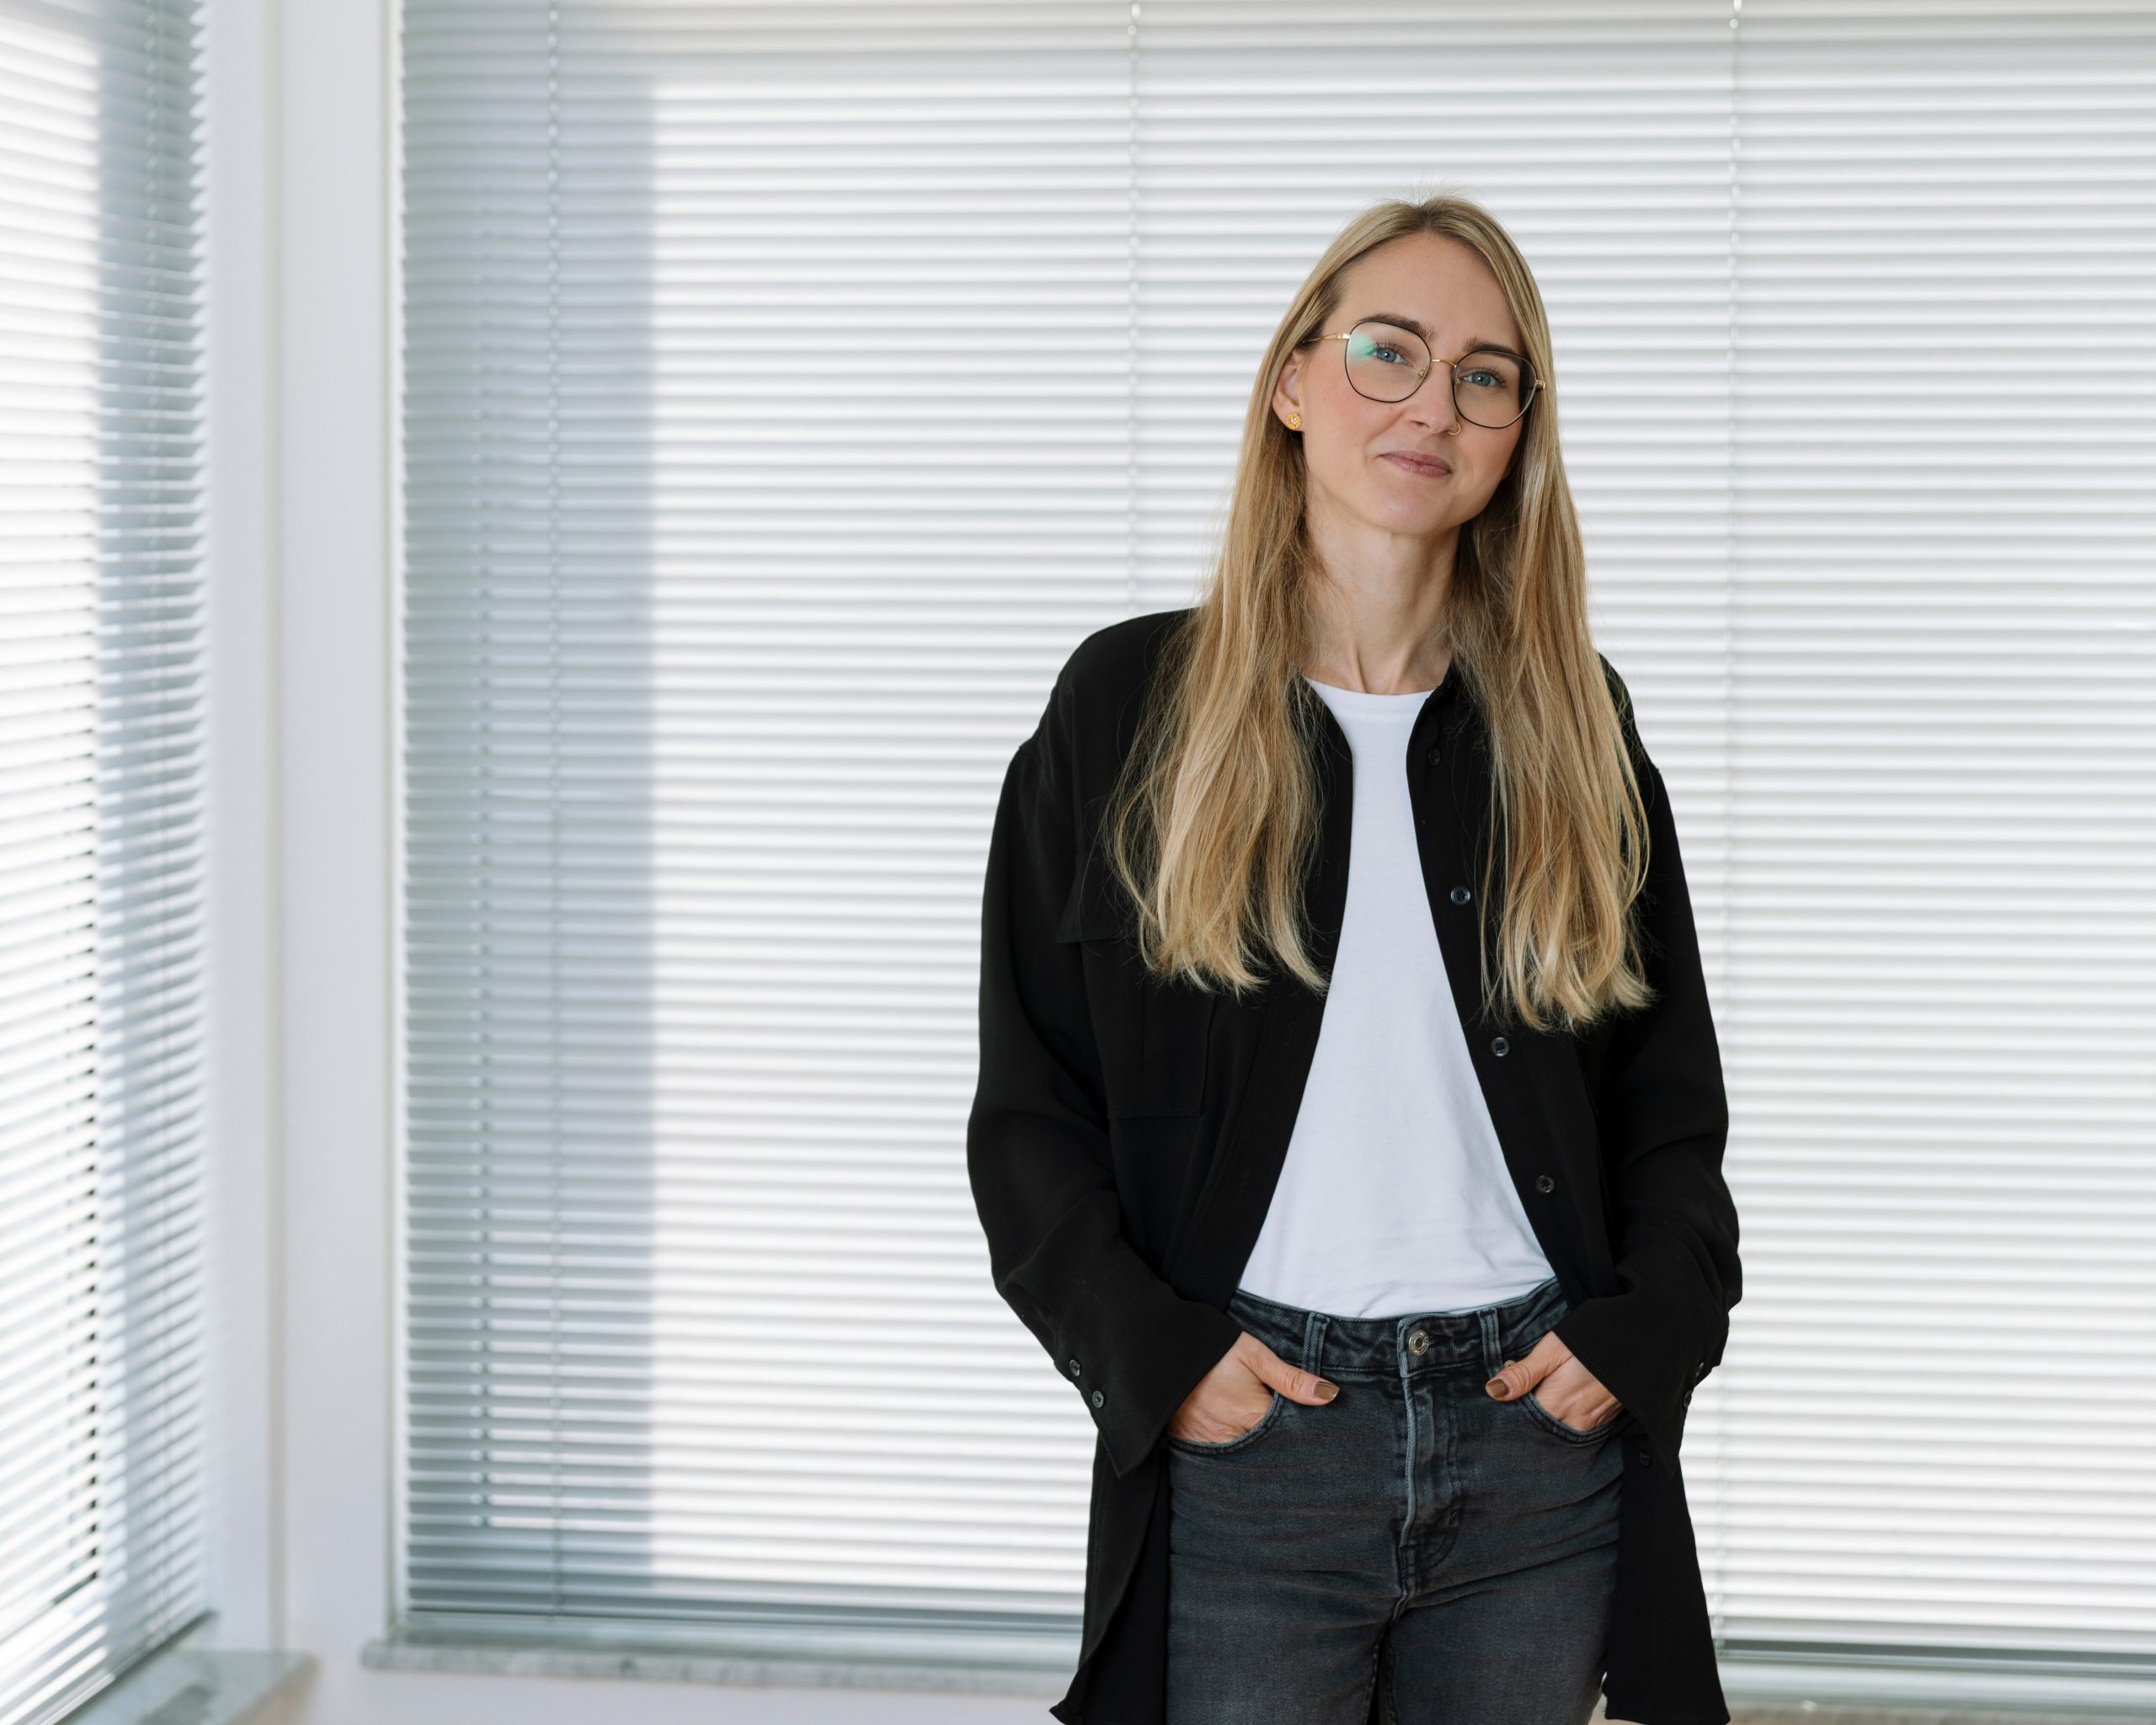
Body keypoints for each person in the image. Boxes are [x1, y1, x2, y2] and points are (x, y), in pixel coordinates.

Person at [968, 193, 1741, 1725]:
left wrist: (1646, 1332)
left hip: (1538, 1453)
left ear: (1518, 432)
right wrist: (1156, 1359)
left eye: (1485, 375)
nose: (1433, 405)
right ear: (1292, 383)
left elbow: (1671, 1108)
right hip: (1253, 1457)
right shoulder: (1126, 708)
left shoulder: (1575, 725)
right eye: (1389, 351)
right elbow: (1031, 1114)